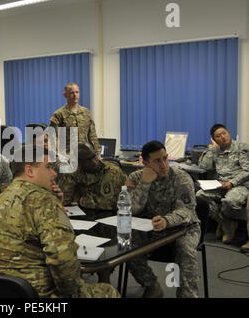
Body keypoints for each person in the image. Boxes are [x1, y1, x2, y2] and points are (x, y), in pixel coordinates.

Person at [0, 145, 120, 298]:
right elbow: (62, 258)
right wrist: (73, 293)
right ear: (29, 170)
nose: (54, 173)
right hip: (33, 292)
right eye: (48, 167)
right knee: (109, 292)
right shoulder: (43, 200)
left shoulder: (0, 198)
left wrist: (58, 204)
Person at [125, 140, 201, 298]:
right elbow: (129, 209)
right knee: (125, 246)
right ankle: (151, 285)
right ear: (145, 163)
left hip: (184, 228)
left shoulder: (181, 177)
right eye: (157, 161)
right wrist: (145, 183)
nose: (163, 165)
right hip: (150, 228)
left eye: (165, 158)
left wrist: (167, 220)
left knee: (185, 250)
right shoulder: (134, 177)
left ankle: (188, 295)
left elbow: (187, 210)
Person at [196, 124, 249, 249]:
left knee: (230, 201)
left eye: (224, 133)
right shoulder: (215, 151)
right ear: (215, 139)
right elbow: (204, 166)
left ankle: (228, 224)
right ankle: (226, 223)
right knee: (200, 197)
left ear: (229, 133)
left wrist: (232, 183)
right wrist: (211, 149)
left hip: (239, 184)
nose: (222, 137)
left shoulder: (241, 148)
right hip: (221, 184)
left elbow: (247, 171)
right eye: (218, 136)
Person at [59, 143, 126, 213]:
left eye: (94, 156)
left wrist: (79, 199)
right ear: (78, 162)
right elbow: (64, 199)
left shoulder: (111, 172)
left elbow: (108, 204)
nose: (94, 161)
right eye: (88, 160)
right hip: (84, 213)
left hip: (109, 215)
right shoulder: (76, 171)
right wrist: (72, 174)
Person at [49, 83, 102, 156]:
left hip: (85, 154)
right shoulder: (59, 114)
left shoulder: (85, 112)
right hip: (67, 155)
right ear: (65, 95)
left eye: (77, 92)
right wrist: (60, 155)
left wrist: (97, 153)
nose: (75, 95)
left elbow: (92, 134)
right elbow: (53, 137)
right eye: (71, 93)